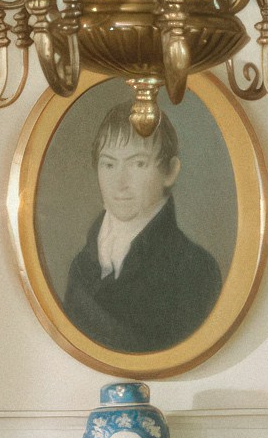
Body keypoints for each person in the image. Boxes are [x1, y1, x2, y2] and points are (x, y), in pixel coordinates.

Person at [51, 88, 224, 357]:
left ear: (170, 171)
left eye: (138, 164)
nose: (120, 184)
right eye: (109, 165)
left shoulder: (195, 269)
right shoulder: (80, 268)